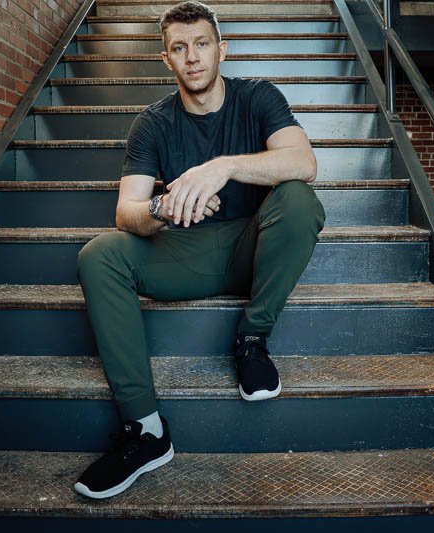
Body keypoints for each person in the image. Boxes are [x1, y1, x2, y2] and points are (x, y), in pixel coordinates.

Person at [73, 0, 325, 499]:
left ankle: (252, 339)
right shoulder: (153, 122)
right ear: (166, 59)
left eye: (202, 44)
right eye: (179, 48)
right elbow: (127, 212)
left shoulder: (258, 97)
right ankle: (146, 432)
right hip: (188, 251)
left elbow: (305, 161)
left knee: (299, 197)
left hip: (258, 244)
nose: (192, 57)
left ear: (221, 50)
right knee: (98, 255)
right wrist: (163, 209)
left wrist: (224, 166)